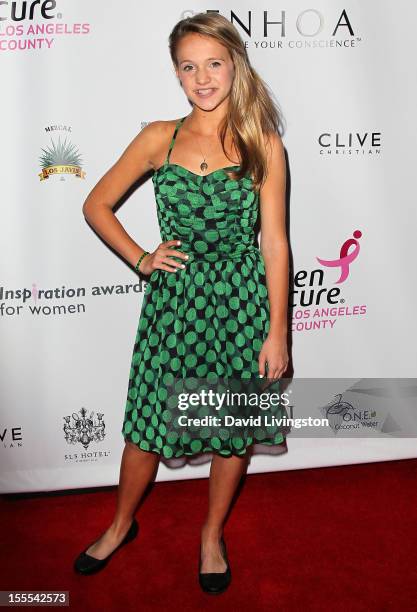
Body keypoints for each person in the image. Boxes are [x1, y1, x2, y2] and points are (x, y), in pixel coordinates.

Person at [73, 12, 289, 595]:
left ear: (235, 65)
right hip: (175, 304)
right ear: (176, 73)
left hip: (240, 304)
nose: (202, 77)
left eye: (213, 63)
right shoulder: (157, 138)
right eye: (189, 66)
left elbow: (275, 242)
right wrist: (142, 258)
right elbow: (96, 205)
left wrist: (278, 332)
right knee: (146, 426)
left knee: (231, 428)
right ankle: (121, 524)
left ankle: (211, 534)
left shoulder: (262, 142)